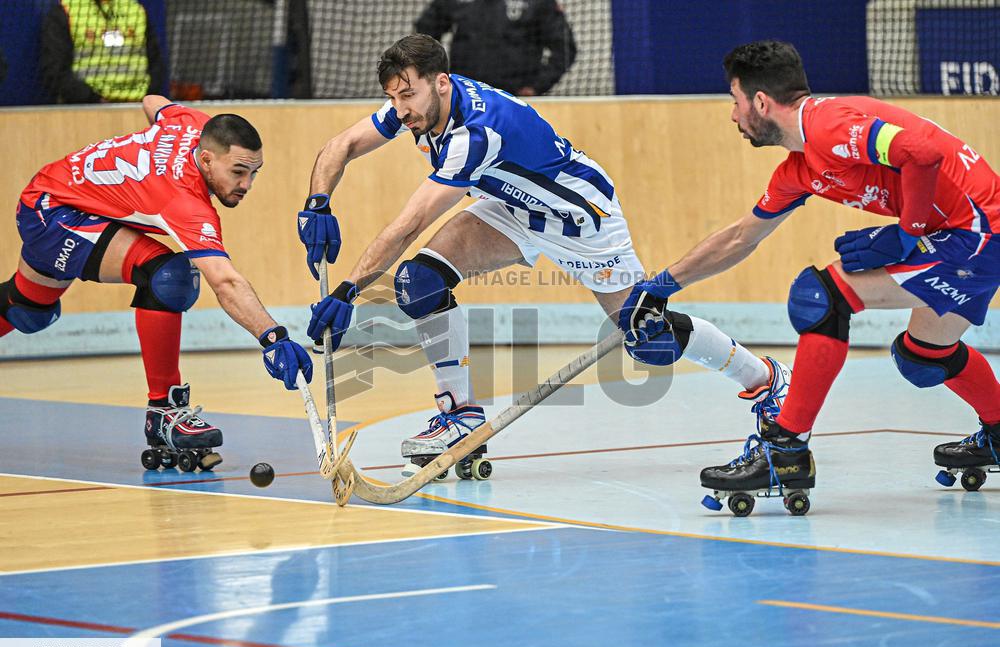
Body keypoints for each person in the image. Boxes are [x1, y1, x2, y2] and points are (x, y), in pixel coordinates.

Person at [298, 34, 790, 479]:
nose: (400, 109)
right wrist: (317, 201)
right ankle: (459, 415)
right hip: (513, 208)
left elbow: (409, 224)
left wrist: (349, 291)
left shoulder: (475, 133)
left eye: (408, 95)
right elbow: (341, 145)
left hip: (580, 219)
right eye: (392, 97)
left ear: (441, 82)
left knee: (647, 336)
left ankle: (767, 381)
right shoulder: (420, 106)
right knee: (419, 282)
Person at [620, 40, 1000, 514]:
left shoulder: (828, 125)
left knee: (822, 297)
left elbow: (919, 153)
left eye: (735, 102)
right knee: (924, 357)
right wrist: (658, 287)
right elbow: (741, 238)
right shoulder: (801, 167)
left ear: (761, 102)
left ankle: (786, 449)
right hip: (962, 237)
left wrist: (908, 234)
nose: (733, 116)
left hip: (977, 235)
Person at [1, 94, 313, 472]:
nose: (247, 184)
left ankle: (164, 410)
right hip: (54, 212)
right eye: (238, 172)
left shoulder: (191, 125)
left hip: (62, 196)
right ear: (206, 158)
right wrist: (273, 337)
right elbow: (225, 282)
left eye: (254, 172)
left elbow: (154, 102)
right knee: (169, 276)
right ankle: (165, 411)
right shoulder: (183, 200)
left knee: (28, 311)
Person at [414, 0, 576, 96]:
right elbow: (424, 34)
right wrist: (435, 77)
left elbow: (564, 47)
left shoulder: (538, 3)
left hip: (514, 97)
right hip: (465, 95)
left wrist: (536, 86)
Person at [39, 0, 166, 104]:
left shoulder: (135, 10)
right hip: (86, 108)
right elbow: (55, 70)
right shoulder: (66, 11)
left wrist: (147, 96)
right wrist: (92, 98)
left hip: (137, 105)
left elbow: (156, 63)